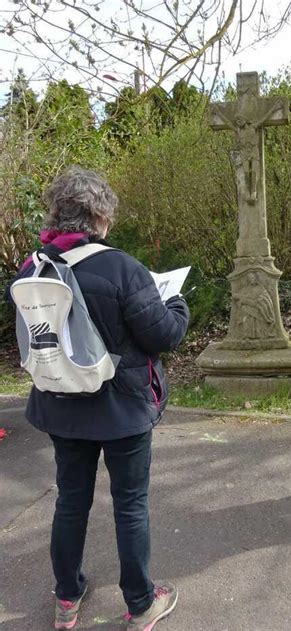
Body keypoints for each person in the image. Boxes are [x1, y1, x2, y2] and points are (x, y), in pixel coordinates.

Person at [8, 167, 189, 629]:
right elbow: (162, 334)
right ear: (99, 215)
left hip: (60, 403)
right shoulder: (121, 267)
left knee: (71, 500)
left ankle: (66, 598)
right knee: (130, 504)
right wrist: (178, 305)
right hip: (121, 409)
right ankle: (141, 602)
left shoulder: (33, 267)